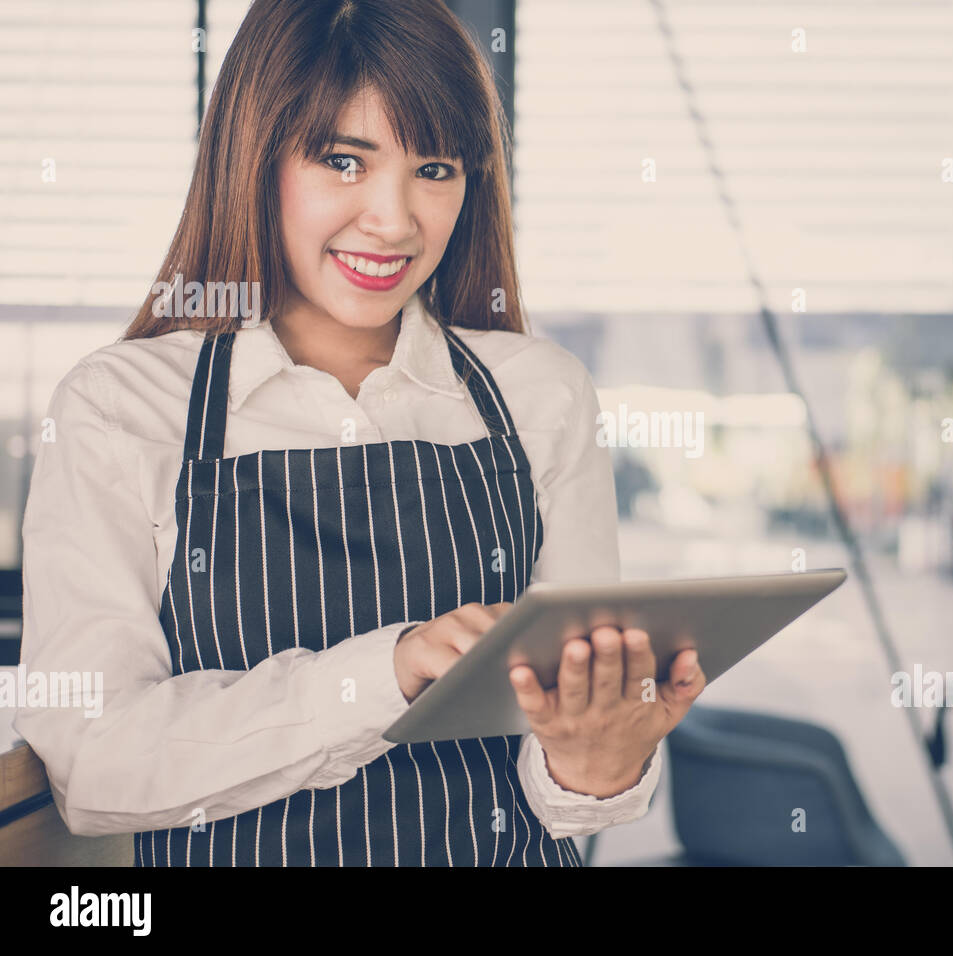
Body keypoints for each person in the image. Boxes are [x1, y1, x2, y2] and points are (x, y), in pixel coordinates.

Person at [15, 0, 705, 867]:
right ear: (253, 156)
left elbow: (563, 795)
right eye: (344, 160)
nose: (396, 219)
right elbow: (94, 762)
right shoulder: (123, 407)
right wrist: (386, 672)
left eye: (436, 169)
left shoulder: (541, 393)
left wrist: (597, 764)